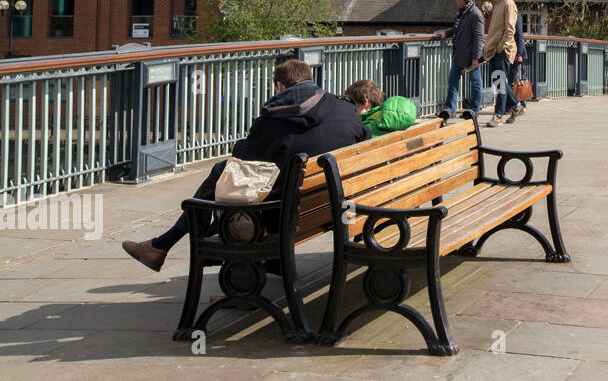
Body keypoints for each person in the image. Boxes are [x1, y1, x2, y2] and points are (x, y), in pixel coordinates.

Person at [122, 58, 369, 272]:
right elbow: (364, 143)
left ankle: (163, 244)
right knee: (224, 173)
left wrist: (242, 146)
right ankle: (161, 244)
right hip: (328, 207)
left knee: (222, 173)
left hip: (280, 214)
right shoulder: (345, 111)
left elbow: (245, 167)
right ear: (311, 80)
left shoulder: (272, 120)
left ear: (280, 86)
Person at [482, 0, 521, 127]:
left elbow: (510, 29)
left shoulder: (508, 4)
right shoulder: (498, 4)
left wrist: (500, 47)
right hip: (494, 49)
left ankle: (498, 116)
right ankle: (516, 106)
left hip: (502, 50)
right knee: (499, 82)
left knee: (500, 83)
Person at [441, 0, 484, 116]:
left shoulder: (475, 14)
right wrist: (446, 33)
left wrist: (476, 58)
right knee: (452, 81)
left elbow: (479, 38)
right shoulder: (461, 13)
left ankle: (475, 109)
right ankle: (450, 109)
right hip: (459, 53)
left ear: (463, 0)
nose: (456, 2)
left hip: (471, 56)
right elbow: (457, 29)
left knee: (476, 82)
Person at [344, 79, 417, 137]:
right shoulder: (391, 119)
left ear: (364, 102)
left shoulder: (368, 126)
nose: (348, 108)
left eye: (351, 103)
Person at [509, 10, 528, 122]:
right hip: (512, 52)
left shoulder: (516, 16)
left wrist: (519, 53)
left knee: (515, 81)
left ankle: (520, 104)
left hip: (515, 53)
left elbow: (519, 36)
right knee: (513, 80)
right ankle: (517, 104)